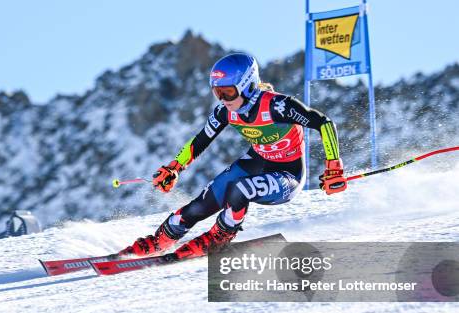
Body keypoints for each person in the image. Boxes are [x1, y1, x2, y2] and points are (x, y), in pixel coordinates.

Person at [120, 53, 347, 259]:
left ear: (247, 86)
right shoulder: (225, 112)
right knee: (199, 205)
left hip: (286, 175)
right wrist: (174, 168)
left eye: (228, 91)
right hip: (255, 163)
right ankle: (160, 241)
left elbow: (323, 123)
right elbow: (201, 140)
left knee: (240, 189)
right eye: (217, 92)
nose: (223, 99)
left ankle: (220, 237)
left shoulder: (277, 106)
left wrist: (333, 166)